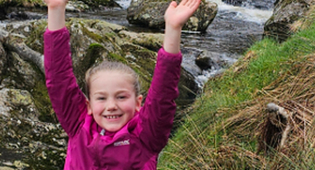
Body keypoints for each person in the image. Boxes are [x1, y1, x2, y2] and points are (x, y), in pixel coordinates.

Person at [43, 0, 201, 169]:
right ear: (88, 105)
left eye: (121, 97)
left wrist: (173, 29)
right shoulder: (79, 125)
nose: (111, 106)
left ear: (138, 103)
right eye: (101, 98)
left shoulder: (147, 136)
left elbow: (163, 93)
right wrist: (55, 8)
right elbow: (58, 78)